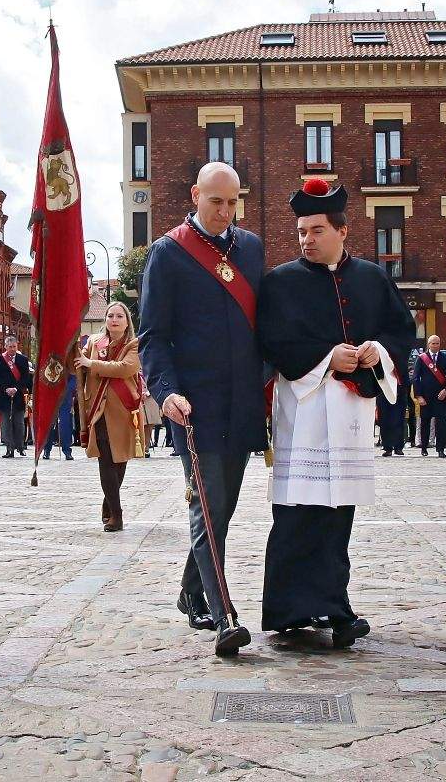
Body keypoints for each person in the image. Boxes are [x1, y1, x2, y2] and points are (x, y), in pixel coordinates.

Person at [258, 178, 416, 649]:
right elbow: (274, 342)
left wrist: (376, 351)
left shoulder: (372, 278)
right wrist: (329, 357)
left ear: (343, 231)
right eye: (302, 231)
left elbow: (400, 332)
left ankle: (334, 605)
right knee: (296, 511)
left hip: (348, 414)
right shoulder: (281, 282)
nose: (307, 239)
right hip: (303, 412)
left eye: (317, 230)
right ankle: (288, 610)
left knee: (337, 514)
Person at [138, 161, 266, 658]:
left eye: (233, 202)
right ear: (195, 195)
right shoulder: (167, 254)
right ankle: (224, 615)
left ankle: (191, 591)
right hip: (193, 407)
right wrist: (164, 390)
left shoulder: (251, 248)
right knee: (207, 507)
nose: (225, 211)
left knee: (224, 507)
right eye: (216, 201)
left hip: (242, 404)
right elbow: (152, 335)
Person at [77, 302, 144, 531]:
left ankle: (109, 502)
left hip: (125, 411)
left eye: (119, 316)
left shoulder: (134, 344)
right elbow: (78, 365)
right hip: (99, 410)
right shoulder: (94, 342)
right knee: (105, 460)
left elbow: (125, 368)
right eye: (110, 315)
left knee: (120, 461)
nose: (114, 319)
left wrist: (91, 363)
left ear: (127, 321)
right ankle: (117, 514)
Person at [411, 335, 446, 457]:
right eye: (433, 343)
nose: (435, 345)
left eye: (437, 343)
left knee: (441, 424)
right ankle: (424, 447)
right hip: (425, 397)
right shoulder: (421, 358)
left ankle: (440, 449)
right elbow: (415, 378)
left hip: (441, 396)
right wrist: (418, 396)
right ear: (428, 344)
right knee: (425, 423)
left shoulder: (445, 358)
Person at [0, 335, 31, 458]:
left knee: (19, 423)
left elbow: (26, 378)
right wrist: (5, 389)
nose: (12, 349)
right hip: (4, 396)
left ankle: (20, 447)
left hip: (18, 395)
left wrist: (16, 388)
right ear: (5, 347)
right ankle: (9, 448)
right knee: (6, 424)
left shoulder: (23, 359)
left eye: (14, 347)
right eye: (10, 347)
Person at [376, 370, 408, 457]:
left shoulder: (400, 360)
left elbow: (405, 378)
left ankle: (399, 447)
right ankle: (387, 447)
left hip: (400, 394)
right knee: (385, 421)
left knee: (399, 421)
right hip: (383, 393)